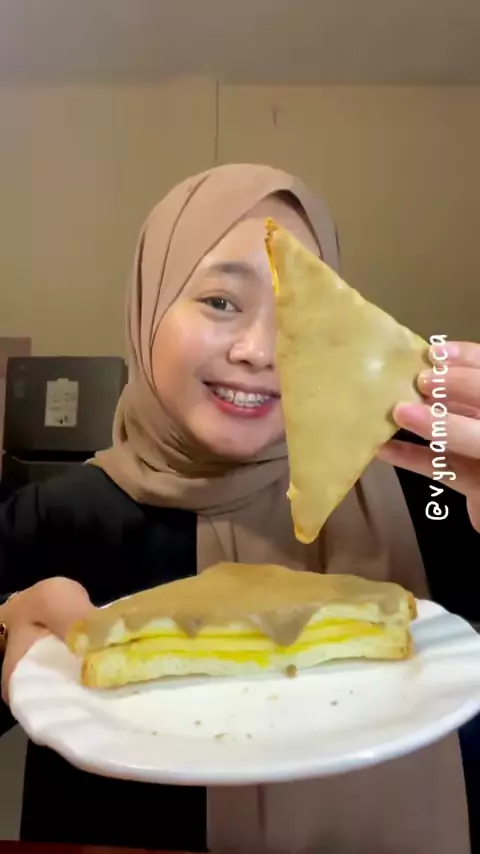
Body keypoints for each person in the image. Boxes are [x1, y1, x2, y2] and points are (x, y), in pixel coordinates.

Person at [0, 163, 479, 854]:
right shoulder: (52, 518)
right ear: (149, 304)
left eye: (297, 316)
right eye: (221, 301)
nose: (259, 351)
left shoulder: (426, 492)